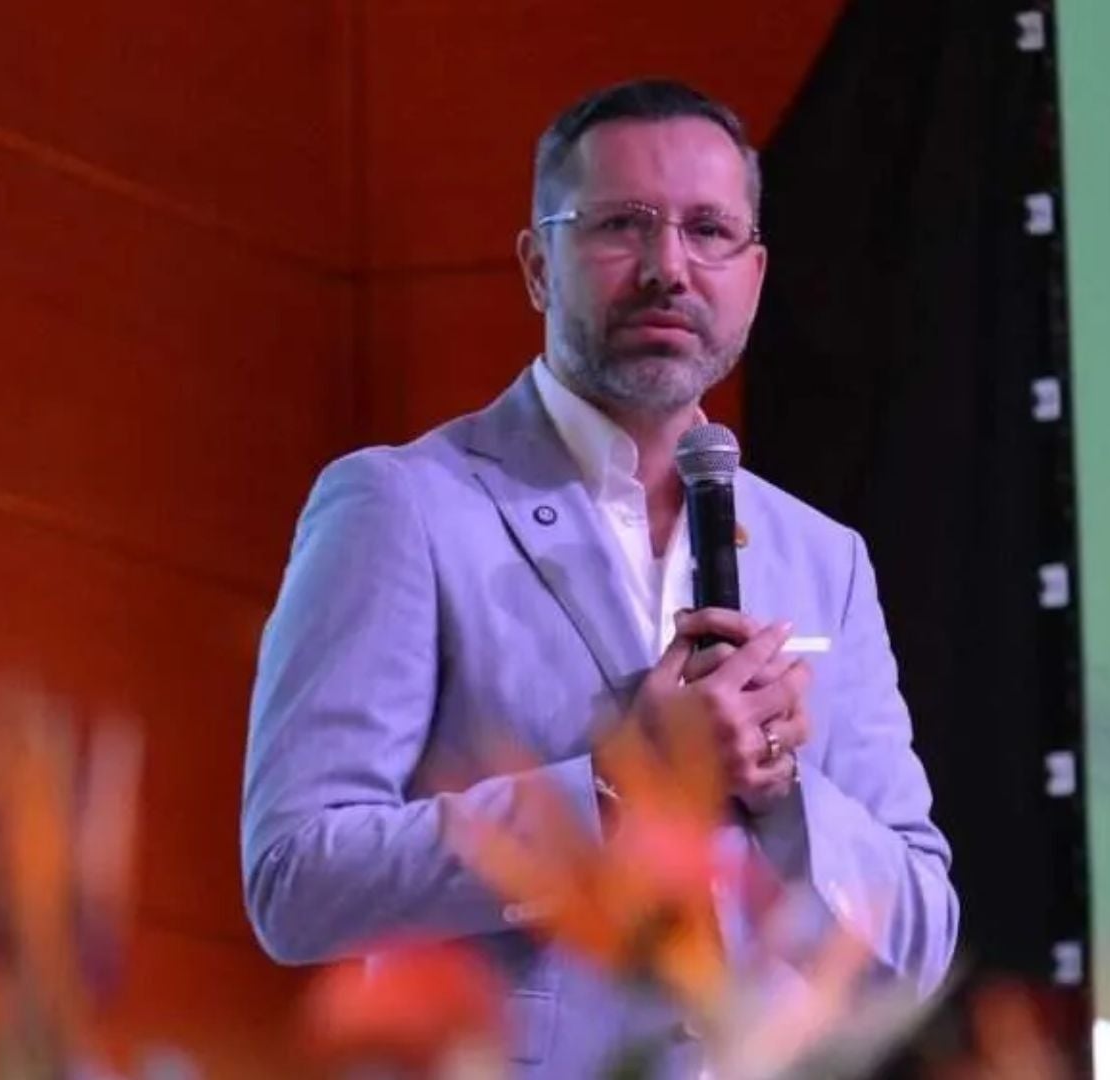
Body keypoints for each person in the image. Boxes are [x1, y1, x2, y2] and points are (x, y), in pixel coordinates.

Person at [240, 79, 958, 1075]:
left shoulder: (824, 559)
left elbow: (919, 943)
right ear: (537, 265)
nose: (669, 268)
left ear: (754, 275)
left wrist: (783, 791)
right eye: (622, 224)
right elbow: (296, 879)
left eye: (709, 230)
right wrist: (616, 787)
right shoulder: (402, 506)